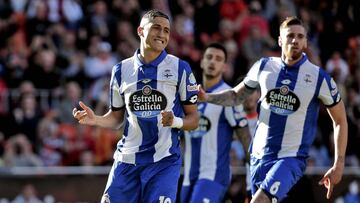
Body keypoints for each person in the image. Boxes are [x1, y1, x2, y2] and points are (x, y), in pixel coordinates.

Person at [198, 16, 348, 203]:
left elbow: (340, 120)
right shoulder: (264, 66)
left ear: (306, 41)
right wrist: (207, 97)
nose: (295, 40)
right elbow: (237, 96)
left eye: (300, 36)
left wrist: (338, 164)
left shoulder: (319, 78)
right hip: (258, 157)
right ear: (279, 40)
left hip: (290, 159)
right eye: (290, 35)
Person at [72, 10, 199, 203]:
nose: (162, 34)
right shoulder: (121, 70)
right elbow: (116, 119)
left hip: (163, 163)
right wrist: (95, 119)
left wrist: (177, 121)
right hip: (126, 162)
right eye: (156, 28)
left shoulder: (180, 68)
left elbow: (194, 119)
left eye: (166, 30)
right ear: (140, 30)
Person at [180, 43, 251, 203]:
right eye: (209, 57)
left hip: (214, 176)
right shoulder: (188, 97)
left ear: (225, 67)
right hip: (188, 177)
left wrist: (256, 173)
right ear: (202, 61)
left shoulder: (230, 99)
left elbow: (245, 139)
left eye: (218, 59)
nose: (213, 62)